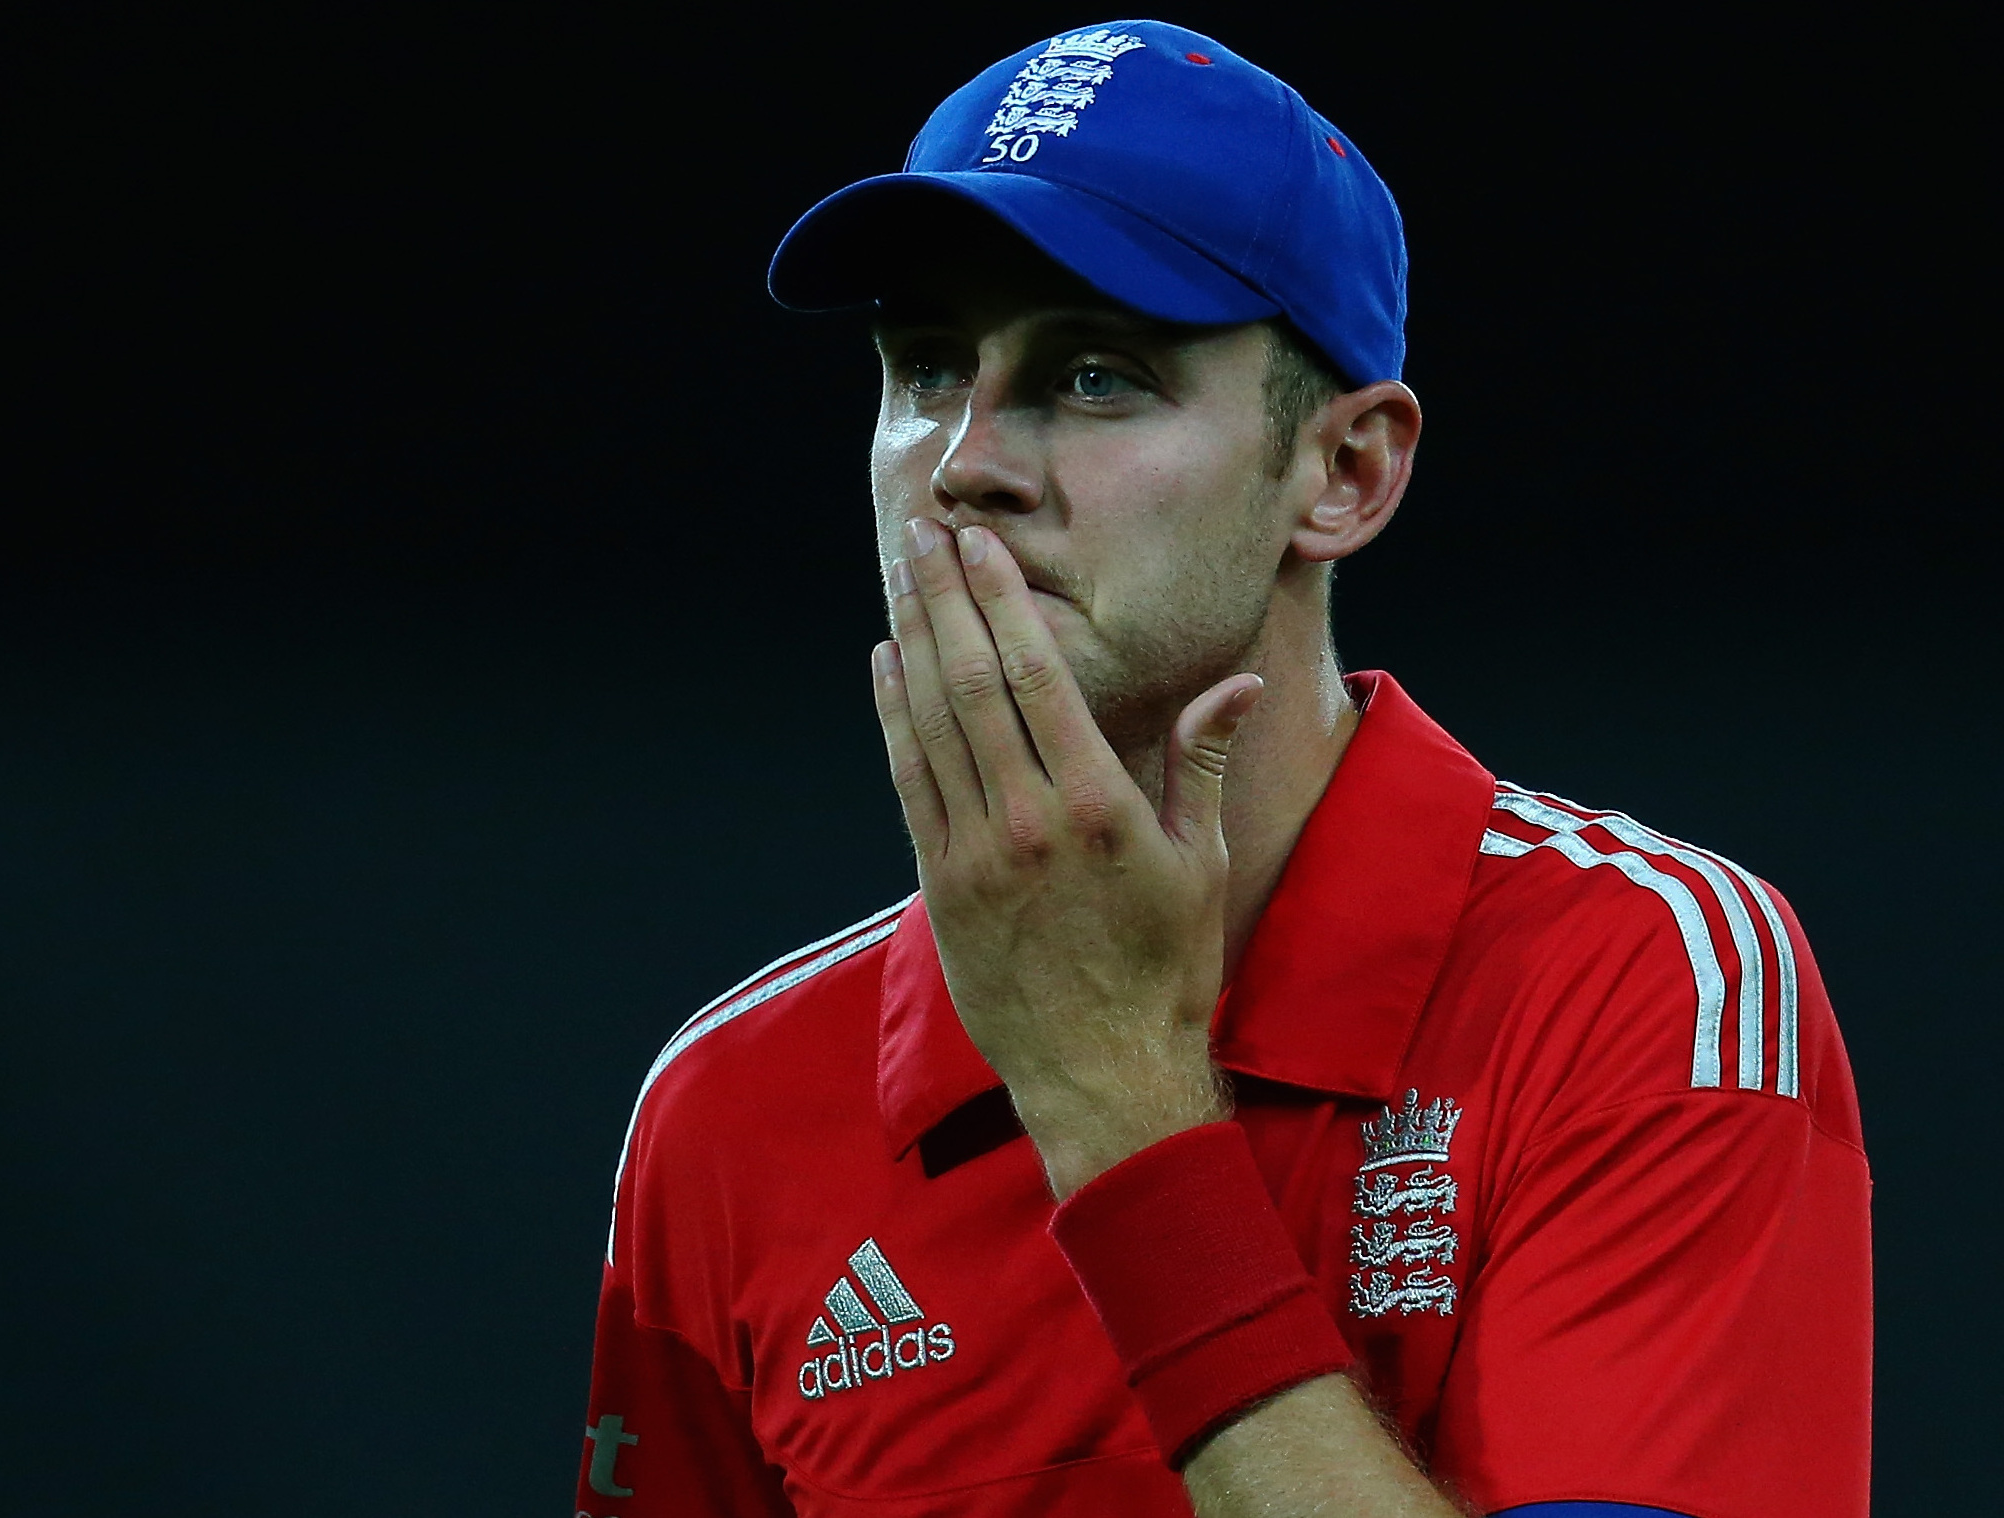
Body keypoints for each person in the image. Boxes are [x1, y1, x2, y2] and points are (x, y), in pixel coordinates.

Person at [577, 20, 1870, 1518]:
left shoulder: (1642, 974)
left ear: (1345, 473)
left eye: (1095, 374)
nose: (962, 462)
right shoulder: (725, 1104)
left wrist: (1115, 1104)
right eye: (925, 365)